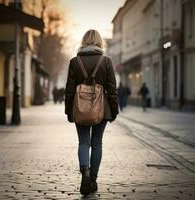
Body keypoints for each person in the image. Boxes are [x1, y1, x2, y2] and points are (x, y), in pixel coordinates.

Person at [65, 29, 118, 195]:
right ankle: (93, 179)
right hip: (102, 109)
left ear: (84, 41)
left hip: (80, 109)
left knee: (83, 142)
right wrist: (114, 110)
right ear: (99, 42)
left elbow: (69, 90)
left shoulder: (74, 62)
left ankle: (85, 172)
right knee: (97, 142)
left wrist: (69, 112)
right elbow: (112, 89)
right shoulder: (106, 61)